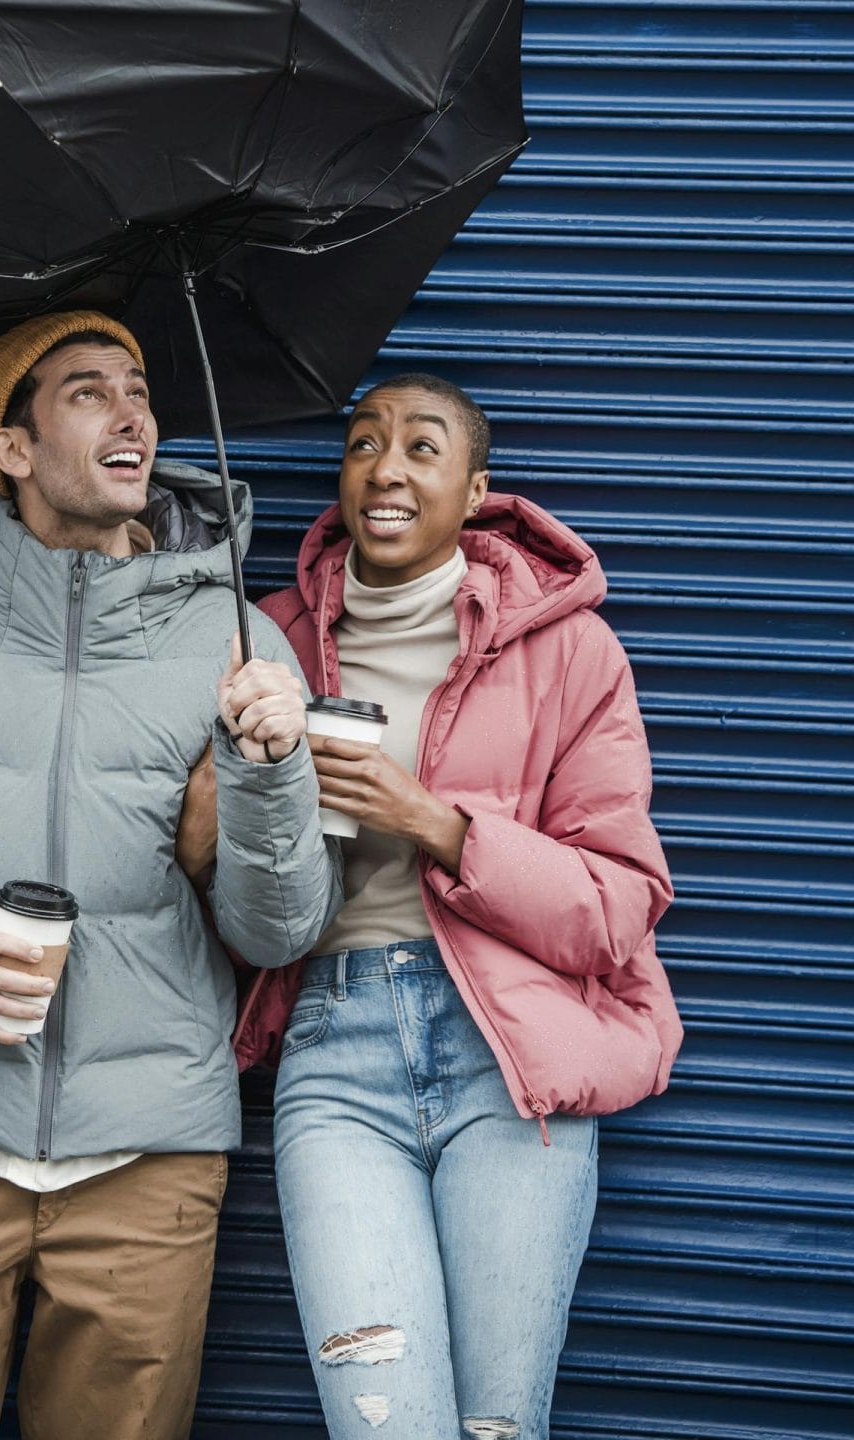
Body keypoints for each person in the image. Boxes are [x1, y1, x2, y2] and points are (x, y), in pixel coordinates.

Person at [0, 309, 341, 1440]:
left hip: (149, 1154)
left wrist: (275, 771)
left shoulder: (239, 647)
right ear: (12, 447)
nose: (132, 412)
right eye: (87, 391)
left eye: (137, 387)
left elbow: (277, 932)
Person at [229, 371, 683, 1440]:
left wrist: (435, 823)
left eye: (420, 447)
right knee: (383, 1423)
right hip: (334, 1065)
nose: (383, 467)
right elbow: (238, 919)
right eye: (361, 443)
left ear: (473, 487)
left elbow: (618, 905)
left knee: (494, 1429)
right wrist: (255, 786)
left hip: (509, 1061)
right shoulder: (265, 646)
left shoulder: (568, 652)